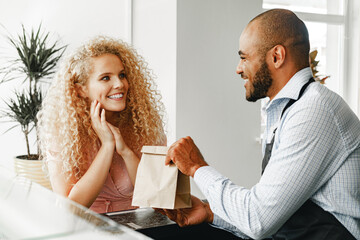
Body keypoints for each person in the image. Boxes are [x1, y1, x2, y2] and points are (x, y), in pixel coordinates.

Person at [160, 9, 360, 239]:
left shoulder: (314, 110)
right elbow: (273, 213)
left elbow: (258, 220)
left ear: (276, 56)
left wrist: (197, 167)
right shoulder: (291, 109)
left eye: (244, 57)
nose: (238, 68)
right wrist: (209, 212)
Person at [37, 36, 166, 213]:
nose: (119, 84)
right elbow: (70, 209)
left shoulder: (144, 123)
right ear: (81, 89)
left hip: (132, 230)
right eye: (106, 78)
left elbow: (159, 199)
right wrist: (107, 146)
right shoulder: (62, 132)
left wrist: (126, 152)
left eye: (122, 75)